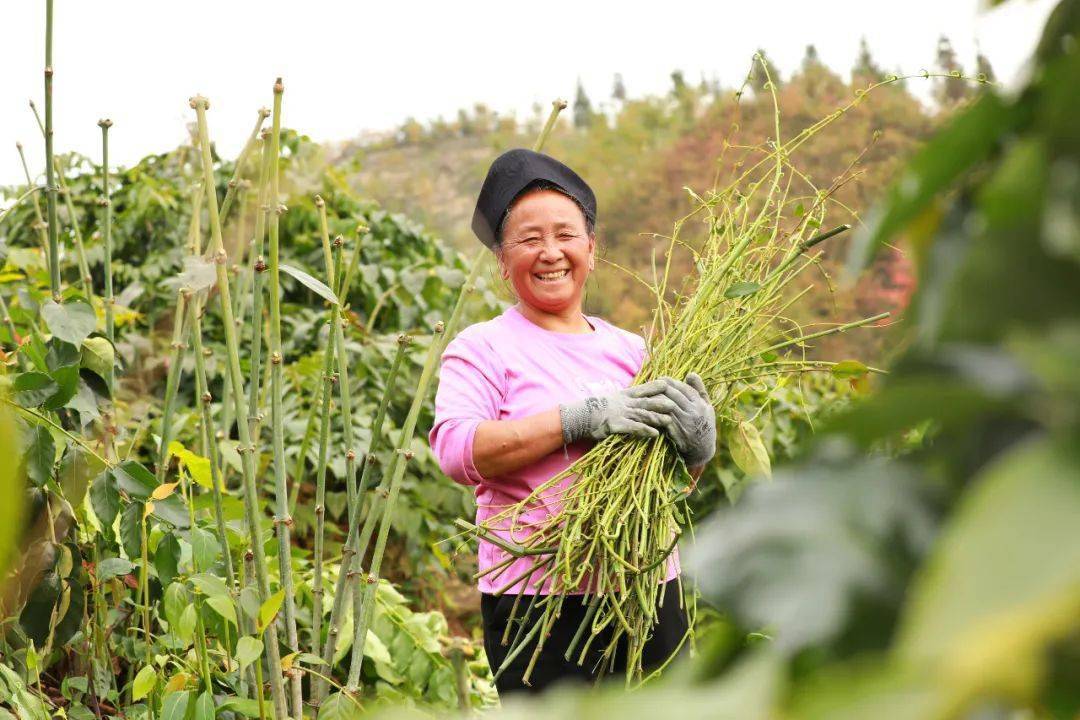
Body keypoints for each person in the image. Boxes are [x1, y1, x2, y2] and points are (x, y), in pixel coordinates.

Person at [428, 148, 716, 696]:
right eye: (529, 239)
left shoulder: (635, 351)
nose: (550, 252)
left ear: (591, 248)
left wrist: (696, 452)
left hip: (648, 590)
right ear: (502, 258)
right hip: (537, 604)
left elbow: (667, 485)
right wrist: (579, 419)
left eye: (565, 235)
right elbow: (457, 451)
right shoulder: (483, 348)